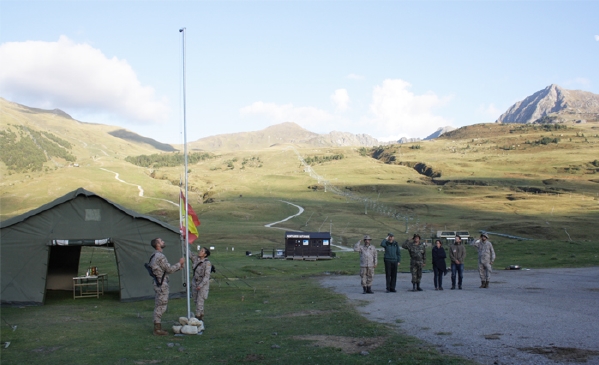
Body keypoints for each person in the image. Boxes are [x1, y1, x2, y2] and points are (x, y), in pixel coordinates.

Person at [149, 238, 185, 336]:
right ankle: (157, 329)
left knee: (159, 305)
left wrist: (179, 267)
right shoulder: (159, 256)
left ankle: (158, 327)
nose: (163, 241)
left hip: (158, 283)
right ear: (157, 245)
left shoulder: (154, 255)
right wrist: (180, 263)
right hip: (161, 284)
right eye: (161, 241)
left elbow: (165, 270)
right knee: (161, 306)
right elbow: (168, 269)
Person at [189, 246, 212, 320]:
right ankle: (201, 315)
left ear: (205, 254)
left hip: (203, 284)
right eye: (200, 250)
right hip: (195, 282)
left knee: (200, 302)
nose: (199, 251)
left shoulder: (207, 263)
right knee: (196, 301)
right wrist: (184, 243)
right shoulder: (196, 259)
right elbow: (189, 254)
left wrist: (201, 285)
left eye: (202, 251)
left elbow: (207, 276)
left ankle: (198, 319)